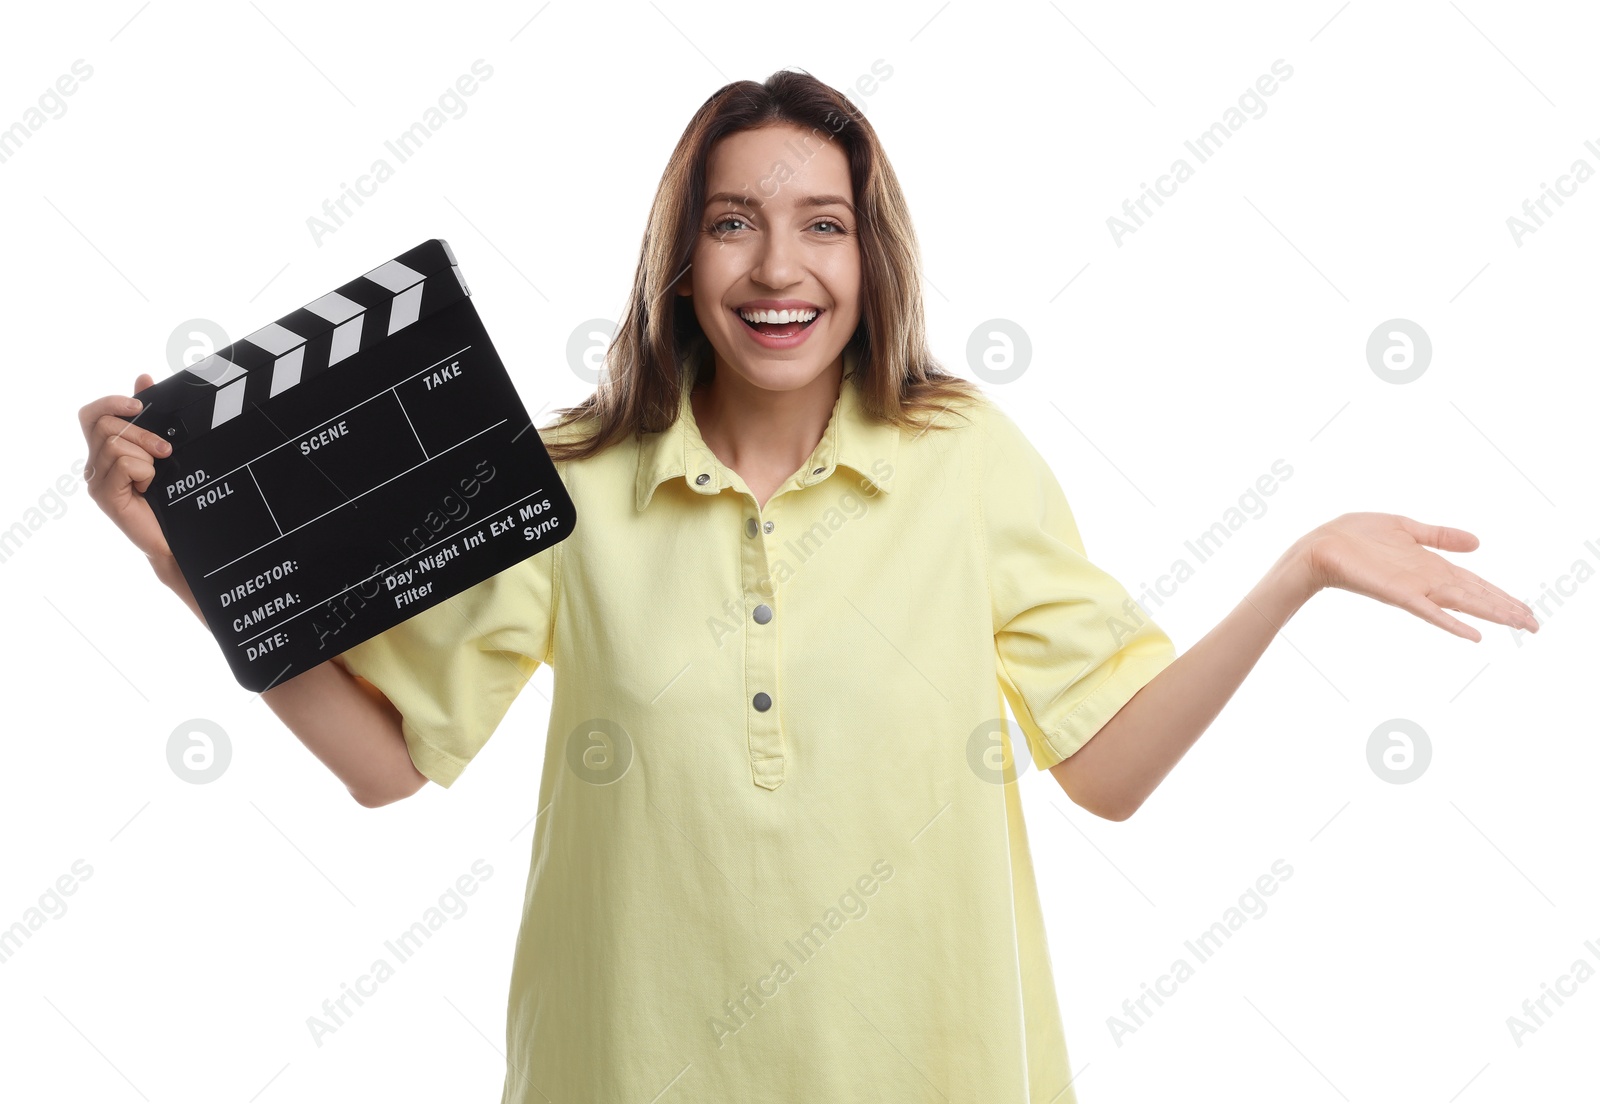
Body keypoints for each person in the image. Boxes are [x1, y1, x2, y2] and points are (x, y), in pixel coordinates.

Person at [79, 69, 1537, 1104]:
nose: (779, 266)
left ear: (868, 253)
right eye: (732, 221)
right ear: (680, 256)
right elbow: (388, 766)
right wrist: (183, 563)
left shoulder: (962, 458)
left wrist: (1298, 575)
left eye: (822, 223)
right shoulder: (569, 479)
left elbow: (1105, 769)